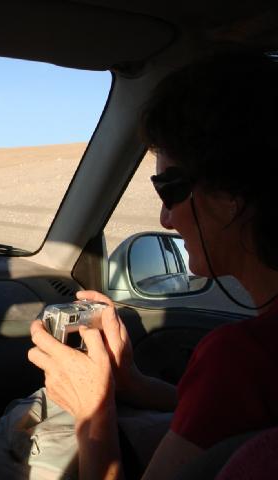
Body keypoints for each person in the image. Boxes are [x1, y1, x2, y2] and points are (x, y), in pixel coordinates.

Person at [28, 51, 278, 479]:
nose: (165, 219)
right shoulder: (250, 363)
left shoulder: (244, 356)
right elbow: (220, 416)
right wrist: (132, 384)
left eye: (169, 191)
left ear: (231, 194)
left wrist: (93, 415)